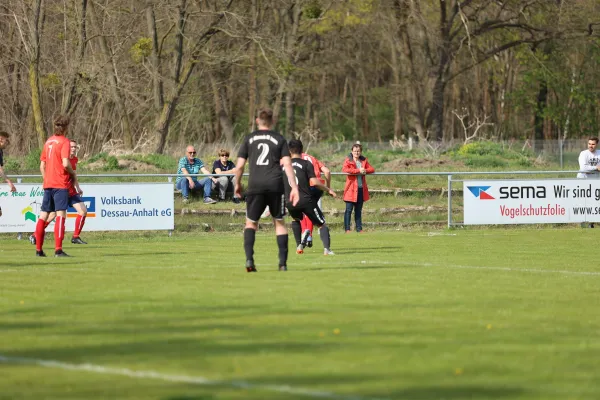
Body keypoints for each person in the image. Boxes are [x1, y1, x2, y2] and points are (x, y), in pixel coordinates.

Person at [234, 107, 299, 272]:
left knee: (250, 223)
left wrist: (237, 184)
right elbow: (287, 164)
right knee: (279, 222)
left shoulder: (249, 139)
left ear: (257, 121)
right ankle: (282, 263)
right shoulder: (279, 139)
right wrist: (294, 187)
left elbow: (240, 166)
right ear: (273, 121)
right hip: (275, 185)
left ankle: (249, 260)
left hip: (255, 185)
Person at [30, 139, 88, 245]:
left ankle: (75, 237)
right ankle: (35, 235)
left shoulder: (75, 159)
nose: (73, 149)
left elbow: (73, 175)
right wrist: (46, 181)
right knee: (52, 215)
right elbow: (43, 167)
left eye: (75, 147)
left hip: (71, 191)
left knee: (83, 211)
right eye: (71, 147)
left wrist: (78, 188)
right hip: (60, 190)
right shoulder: (61, 159)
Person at [34, 115, 77, 257]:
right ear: (66, 127)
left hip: (48, 184)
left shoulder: (48, 141)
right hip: (60, 184)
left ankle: (39, 250)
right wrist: (72, 173)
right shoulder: (64, 141)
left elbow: (42, 165)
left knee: (43, 215)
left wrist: (46, 180)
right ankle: (58, 249)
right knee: (60, 215)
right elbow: (65, 163)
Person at [285, 139, 336, 256]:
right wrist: (329, 189)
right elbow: (315, 182)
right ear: (302, 149)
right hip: (305, 199)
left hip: (291, 201)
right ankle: (327, 249)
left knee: (295, 220)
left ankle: (299, 245)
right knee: (321, 223)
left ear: (289, 151)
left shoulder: (284, 165)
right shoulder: (306, 164)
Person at [299, 151, 331, 249]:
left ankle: (306, 234)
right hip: (318, 187)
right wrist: (327, 187)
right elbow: (327, 171)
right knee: (310, 209)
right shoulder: (312, 157)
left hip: (306, 186)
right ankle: (308, 236)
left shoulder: (295, 159)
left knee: (302, 210)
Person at [342, 143, 375, 233]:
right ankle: (347, 229)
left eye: (358, 151)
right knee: (348, 210)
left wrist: (365, 170)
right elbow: (345, 170)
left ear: (360, 152)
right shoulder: (348, 160)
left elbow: (372, 169)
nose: (356, 152)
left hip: (361, 189)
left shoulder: (363, 161)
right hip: (350, 189)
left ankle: (359, 229)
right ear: (352, 151)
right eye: (355, 151)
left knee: (358, 210)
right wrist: (358, 171)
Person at [577, 137, 600, 228]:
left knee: (594, 203)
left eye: (593, 144)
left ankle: (591, 223)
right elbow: (583, 169)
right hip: (583, 181)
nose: (591, 146)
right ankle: (583, 223)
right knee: (583, 203)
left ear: (597, 144)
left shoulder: (599, 153)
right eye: (589, 144)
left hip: (595, 183)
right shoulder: (584, 154)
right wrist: (596, 168)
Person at [0, 131, 17, 217]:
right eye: (7, 141)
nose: (8, 143)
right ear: (1, 139)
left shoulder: (1, 152)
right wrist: (9, 181)